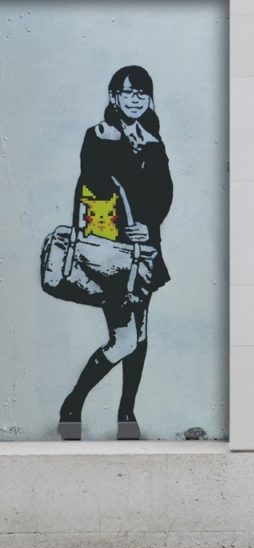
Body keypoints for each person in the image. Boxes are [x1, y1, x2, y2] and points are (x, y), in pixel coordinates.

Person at [57, 65, 173, 441]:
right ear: (114, 97)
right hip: (111, 252)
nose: (135, 99)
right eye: (127, 93)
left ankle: (126, 412)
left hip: (144, 251)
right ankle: (73, 404)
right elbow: (95, 184)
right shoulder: (99, 135)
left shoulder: (154, 141)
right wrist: (130, 222)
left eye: (141, 93)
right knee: (125, 337)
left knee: (139, 333)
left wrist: (149, 223)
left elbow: (164, 192)